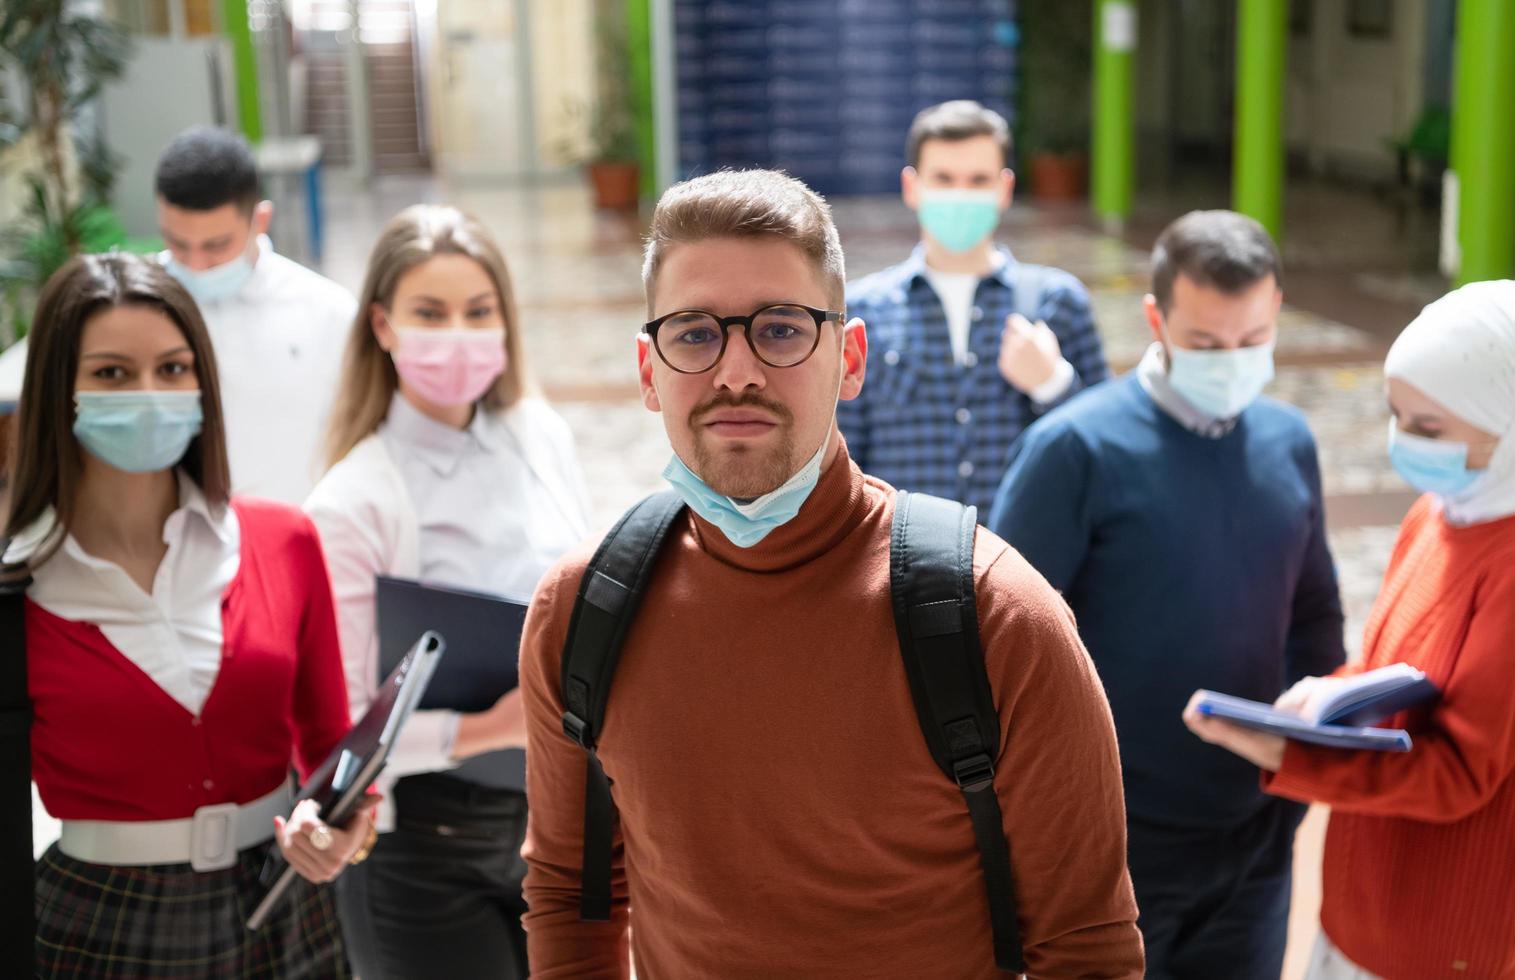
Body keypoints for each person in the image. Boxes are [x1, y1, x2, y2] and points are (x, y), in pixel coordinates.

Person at [518, 169, 1143, 978]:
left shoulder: (995, 619)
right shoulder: (583, 612)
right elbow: (572, 897)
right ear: (648, 370)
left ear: (849, 360)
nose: (734, 371)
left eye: (779, 330)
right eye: (694, 333)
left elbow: (1085, 946)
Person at [988, 210, 1345, 979]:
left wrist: (1298, 776)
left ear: (1276, 312)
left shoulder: (1288, 441)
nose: (1231, 362)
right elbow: (999, 649)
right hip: (1115, 847)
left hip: (1254, 839)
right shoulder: (1074, 449)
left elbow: (1313, 614)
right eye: (1206, 344)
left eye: (1252, 342)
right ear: (1155, 318)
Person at [3, 253, 372, 977]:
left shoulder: (284, 540)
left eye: (172, 369)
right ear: (58, 392)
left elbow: (335, 751)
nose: (149, 393)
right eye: (112, 373)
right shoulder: (17, 592)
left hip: (284, 906)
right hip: (100, 916)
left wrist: (344, 831)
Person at [1186, 280, 1515, 980]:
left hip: (1441, 935)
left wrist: (1290, 757)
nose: (1405, 443)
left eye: (1430, 428)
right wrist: (1326, 696)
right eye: (1396, 417)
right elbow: (1397, 663)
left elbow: (1459, 770)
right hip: (1366, 900)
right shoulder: (1438, 513)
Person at [305, 205, 590, 979]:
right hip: (420, 847)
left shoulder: (539, 435)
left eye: (478, 311)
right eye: (429, 314)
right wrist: (485, 730)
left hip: (553, 824)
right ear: (382, 326)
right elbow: (343, 726)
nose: (457, 334)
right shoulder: (353, 501)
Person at [838, 100, 1110, 511]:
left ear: (1004, 189)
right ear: (913, 187)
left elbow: (1107, 449)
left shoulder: (1059, 303)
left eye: (978, 180)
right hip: (902, 562)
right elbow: (840, 460)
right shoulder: (863, 312)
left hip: (1024, 562)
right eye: (943, 179)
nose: (959, 195)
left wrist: (1053, 384)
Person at [155, 125, 355, 503]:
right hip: (176, 542)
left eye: (216, 245)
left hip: (295, 530)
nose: (197, 263)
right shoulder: (138, 308)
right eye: (178, 244)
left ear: (259, 221)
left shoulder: (327, 312)